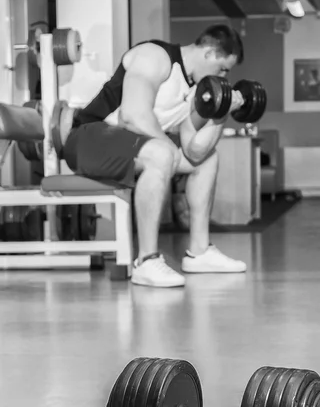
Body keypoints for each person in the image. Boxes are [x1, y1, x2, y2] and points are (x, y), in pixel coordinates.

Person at [63, 24, 247, 288]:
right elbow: (133, 115)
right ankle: (146, 261)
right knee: (161, 153)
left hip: (133, 144)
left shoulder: (196, 90)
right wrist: (169, 152)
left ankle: (199, 251)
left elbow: (194, 150)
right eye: (223, 69)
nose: (223, 77)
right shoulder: (155, 56)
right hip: (89, 137)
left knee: (208, 159)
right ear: (208, 52)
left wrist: (221, 115)